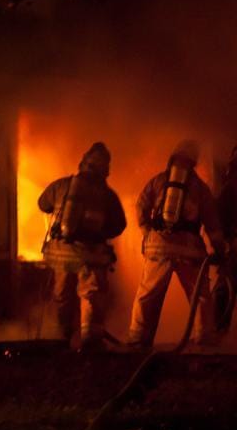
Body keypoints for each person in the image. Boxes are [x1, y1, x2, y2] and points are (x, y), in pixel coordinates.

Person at [127, 140, 226, 349]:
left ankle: (138, 339)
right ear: (193, 163)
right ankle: (205, 339)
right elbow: (212, 223)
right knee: (199, 296)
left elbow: (140, 207)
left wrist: (148, 232)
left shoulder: (158, 181)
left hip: (158, 247)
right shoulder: (200, 188)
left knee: (148, 294)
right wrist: (218, 250)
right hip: (189, 250)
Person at [39, 142, 127, 350]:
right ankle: (90, 341)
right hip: (92, 254)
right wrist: (100, 233)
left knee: (62, 296)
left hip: (63, 253)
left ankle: (62, 339)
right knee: (91, 296)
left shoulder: (61, 185)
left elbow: (43, 204)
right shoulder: (108, 195)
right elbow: (119, 225)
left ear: (82, 163)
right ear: (105, 169)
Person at [214, 146, 237, 332]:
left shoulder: (229, 188)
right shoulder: (230, 190)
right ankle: (218, 331)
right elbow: (219, 219)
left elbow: (218, 218)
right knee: (225, 288)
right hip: (233, 249)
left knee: (225, 288)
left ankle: (218, 331)